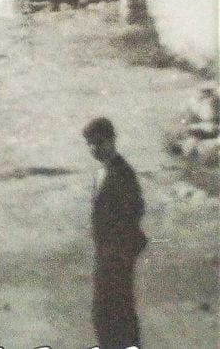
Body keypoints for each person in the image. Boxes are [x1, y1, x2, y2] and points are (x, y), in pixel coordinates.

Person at [83, 117, 147, 349]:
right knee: (105, 313)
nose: (94, 148)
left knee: (116, 312)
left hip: (118, 254)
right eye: (90, 144)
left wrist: (118, 245)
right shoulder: (103, 171)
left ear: (111, 141)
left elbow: (136, 208)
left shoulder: (123, 173)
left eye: (99, 142)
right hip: (106, 253)